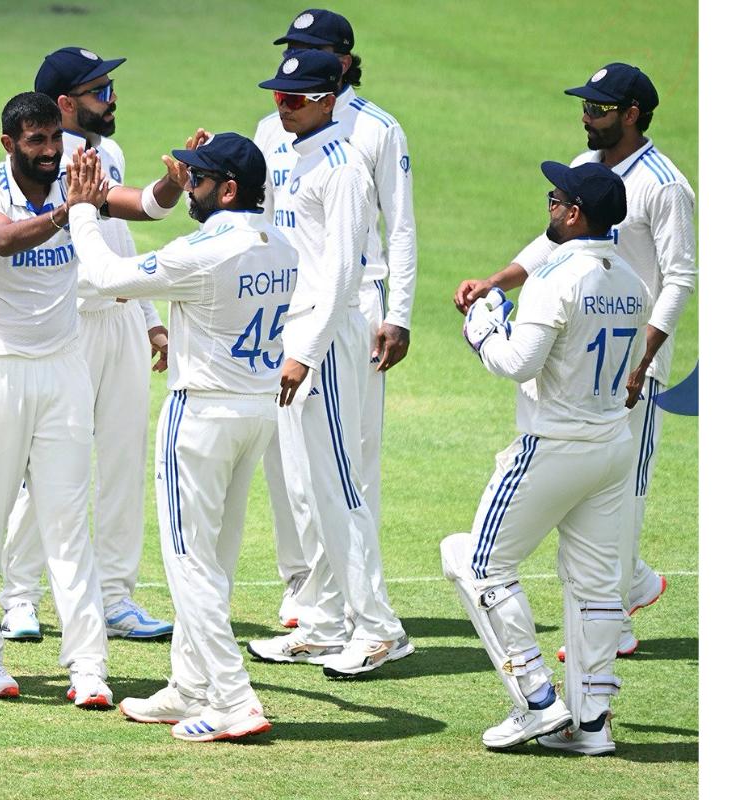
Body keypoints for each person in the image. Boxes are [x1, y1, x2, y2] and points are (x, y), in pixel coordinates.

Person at [453, 63, 695, 658]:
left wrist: (644, 359)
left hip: (631, 363)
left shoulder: (665, 185)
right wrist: (497, 279)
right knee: (587, 483)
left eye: (598, 109)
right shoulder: (587, 169)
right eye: (585, 107)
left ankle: (616, 620)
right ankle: (632, 586)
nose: (585, 117)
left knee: (623, 492)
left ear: (632, 114)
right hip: (576, 348)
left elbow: (680, 278)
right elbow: (549, 242)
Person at [0, 92, 182, 706]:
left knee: (66, 521)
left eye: (56, 139)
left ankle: (87, 666)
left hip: (62, 368)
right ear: (9, 145)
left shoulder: (75, 179)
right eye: (38, 142)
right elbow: (2, 241)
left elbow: (140, 209)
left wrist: (170, 185)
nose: (52, 152)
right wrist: (67, 213)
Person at [66, 133, 297, 741]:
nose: (187, 187)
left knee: (189, 564)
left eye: (197, 180)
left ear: (227, 189)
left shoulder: (203, 252)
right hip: (258, 413)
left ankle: (232, 698)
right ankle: (189, 686)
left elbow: (108, 273)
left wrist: (84, 208)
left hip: (200, 416)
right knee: (214, 559)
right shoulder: (282, 244)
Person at [441, 161, 649, 755]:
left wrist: (482, 326)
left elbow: (517, 363)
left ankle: (536, 699)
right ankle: (592, 724)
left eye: (555, 199)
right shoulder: (631, 281)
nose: (550, 206)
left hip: (553, 445)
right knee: (596, 588)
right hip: (611, 449)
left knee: (474, 562)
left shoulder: (556, 278)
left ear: (574, 212)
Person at [0, 47, 175, 642]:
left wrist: (147, 314)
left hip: (120, 321)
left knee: (123, 462)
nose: (112, 98)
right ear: (66, 103)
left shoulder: (108, 152)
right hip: (70, 324)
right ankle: (19, 596)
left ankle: (116, 595)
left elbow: (118, 240)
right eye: (100, 90)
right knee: (50, 465)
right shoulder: (44, 163)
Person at [245, 50, 413, 678]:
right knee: (307, 486)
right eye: (277, 97)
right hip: (302, 326)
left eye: (293, 98)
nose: (280, 107)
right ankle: (319, 621)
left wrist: (304, 353)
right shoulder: (301, 152)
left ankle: (378, 628)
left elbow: (343, 271)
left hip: (329, 334)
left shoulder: (342, 167)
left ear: (326, 98)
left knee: (340, 481)